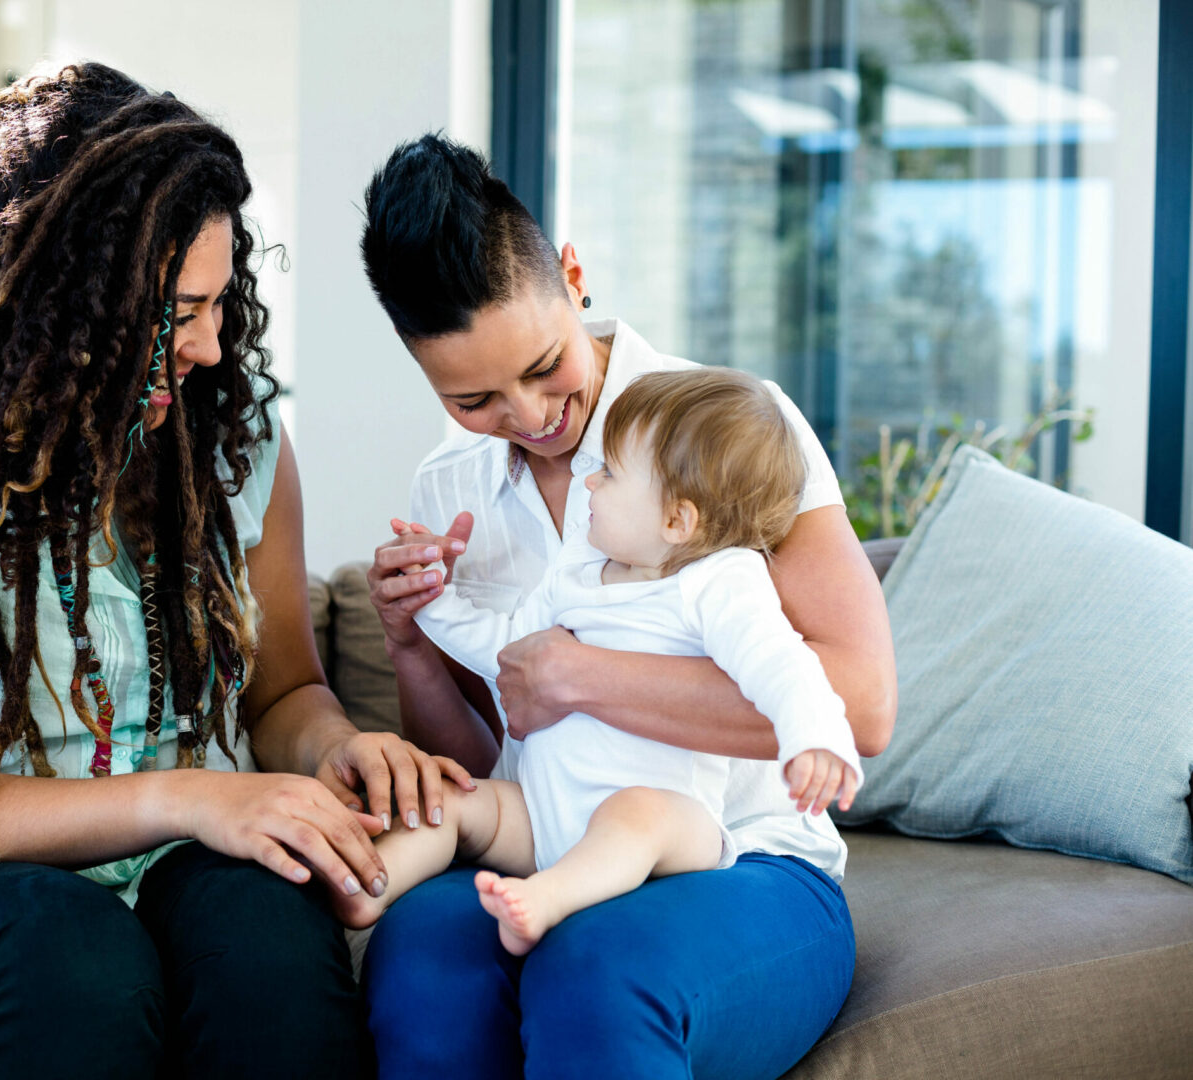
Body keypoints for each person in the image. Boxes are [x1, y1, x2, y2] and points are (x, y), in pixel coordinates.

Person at [0, 64, 471, 1080]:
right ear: (63, 298)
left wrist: (338, 746)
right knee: (78, 967)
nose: (215, 348)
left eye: (221, 305)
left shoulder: (234, 435)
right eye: (179, 313)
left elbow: (285, 695)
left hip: (190, 854)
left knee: (272, 952)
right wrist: (190, 798)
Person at [359, 134, 897, 1079]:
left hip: (739, 857)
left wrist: (581, 675)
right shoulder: (450, 489)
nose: (527, 417)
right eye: (474, 397)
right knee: (422, 965)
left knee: (599, 971)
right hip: (549, 841)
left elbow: (861, 707)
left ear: (573, 280)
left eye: (543, 365)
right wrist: (409, 643)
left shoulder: (726, 431)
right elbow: (484, 767)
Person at [330, 367, 863, 957]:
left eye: (609, 473)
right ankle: (362, 887)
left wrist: (814, 736)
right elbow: (506, 646)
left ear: (676, 520)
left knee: (636, 813)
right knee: (458, 804)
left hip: (669, 832)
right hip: (544, 821)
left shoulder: (719, 582)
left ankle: (548, 902)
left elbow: (779, 663)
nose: (588, 485)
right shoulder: (578, 573)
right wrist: (430, 600)